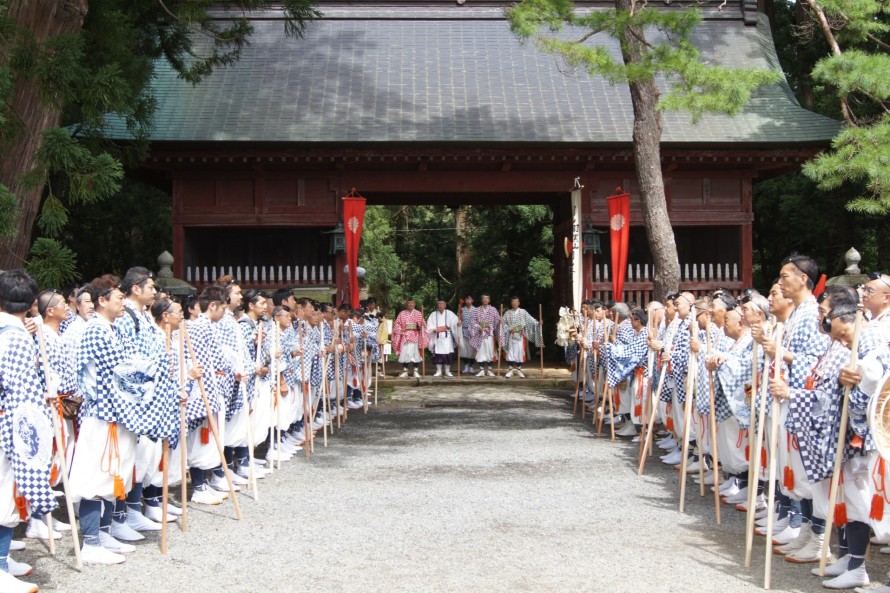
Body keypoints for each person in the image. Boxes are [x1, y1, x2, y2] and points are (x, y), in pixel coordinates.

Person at [0, 270, 58, 591]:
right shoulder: (16, 336)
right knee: (4, 494)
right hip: (8, 423)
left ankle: (3, 561)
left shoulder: (14, 332)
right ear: (33, 303)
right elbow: (20, 392)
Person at [499, 297, 542, 378]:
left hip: (520, 336)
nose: (514, 303)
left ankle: (519, 369)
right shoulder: (507, 313)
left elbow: (530, 319)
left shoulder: (523, 312)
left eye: (516, 301)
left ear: (519, 303)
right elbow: (504, 323)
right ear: (511, 303)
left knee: (519, 353)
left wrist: (537, 322)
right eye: (513, 302)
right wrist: (502, 323)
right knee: (510, 353)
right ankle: (510, 369)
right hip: (510, 336)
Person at [392, 298, 427, 378]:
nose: (410, 305)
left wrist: (421, 325)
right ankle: (405, 370)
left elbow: (423, 325)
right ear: (406, 304)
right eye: (409, 303)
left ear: (414, 304)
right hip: (405, 336)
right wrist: (401, 330)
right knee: (405, 354)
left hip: (415, 335)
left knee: (415, 354)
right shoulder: (402, 313)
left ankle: (415, 370)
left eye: (412, 303)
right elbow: (397, 324)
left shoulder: (418, 313)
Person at [426, 298, 460, 378]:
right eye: (439, 304)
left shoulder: (450, 313)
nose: (440, 305)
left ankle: (447, 371)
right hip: (437, 337)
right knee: (438, 355)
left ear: (445, 305)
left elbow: (455, 321)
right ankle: (438, 371)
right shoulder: (433, 314)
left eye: (442, 304)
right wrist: (433, 330)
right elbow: (429, 325)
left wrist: (458, 323)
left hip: (447, 337)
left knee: (448, 354)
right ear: (437, 305)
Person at [471, 294, 500, 377]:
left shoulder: (493, 310)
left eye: (487, 298)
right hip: (480, 334)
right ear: (481, 300)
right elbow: (472, 321)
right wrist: (479, 327)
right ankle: (482, 370)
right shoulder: (476, 310)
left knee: (490, 352)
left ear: (489, 300)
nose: (485, 300)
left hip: (490, 335)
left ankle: (490, 370)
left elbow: (497, 320)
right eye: (483, 298)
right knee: (481, 352)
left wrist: (500, 321)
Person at [459, 295, 477, 374]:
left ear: (472, 300)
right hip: (464, 331)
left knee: (473, 350)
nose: (468, 301)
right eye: (466, 299)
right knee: (464, 349)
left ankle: (471, 365)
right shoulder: (462, 309)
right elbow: (459, 319)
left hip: (473, 332)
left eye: (469, 299)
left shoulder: (476, 310)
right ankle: (466, 365)